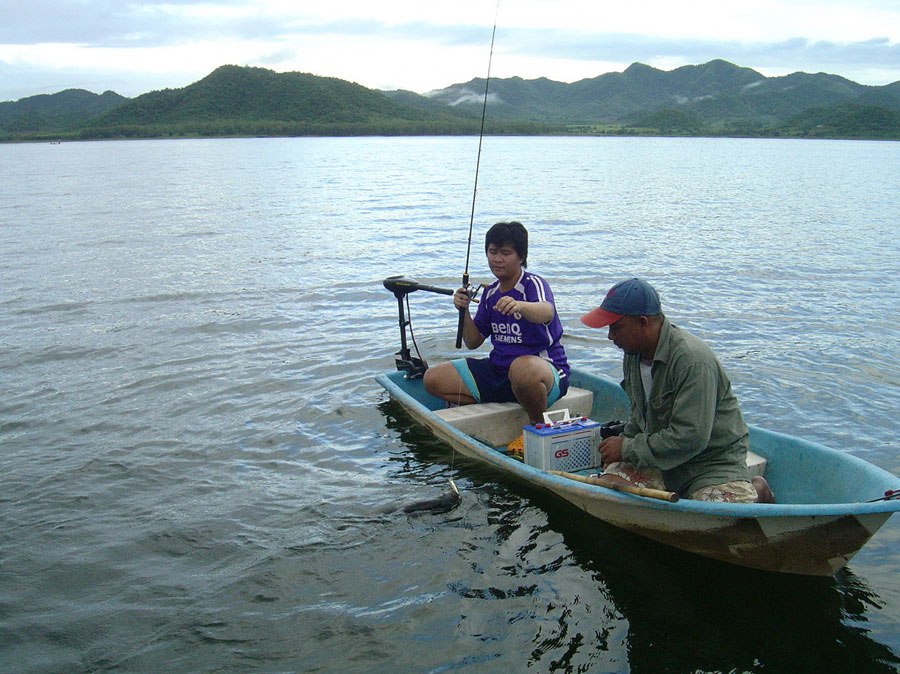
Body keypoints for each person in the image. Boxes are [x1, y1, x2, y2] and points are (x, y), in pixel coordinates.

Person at [581, 278, 775, 503]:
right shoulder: (633, 354)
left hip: (709, 466)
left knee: (712, 514)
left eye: (616, 327)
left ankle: (756, 490)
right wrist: (620, 448)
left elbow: (691, 438)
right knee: (609, 487)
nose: (610, 336)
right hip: (663, 460)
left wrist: (626, 449)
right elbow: (637, 416)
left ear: (643, 323)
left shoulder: (692, 361)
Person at [423, 222, 570, 431]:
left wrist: (520, 306)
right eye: (492, 252)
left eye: (506, 253)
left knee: (521, 369)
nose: (497, 259)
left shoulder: (533, 284)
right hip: (499, 370)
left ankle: (537, 425)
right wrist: (463, 310)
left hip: (543, 370)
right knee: (432, 379)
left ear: (521, 257)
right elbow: (473, 341)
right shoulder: (490, 292)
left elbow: (547, 311)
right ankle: (493, 404)